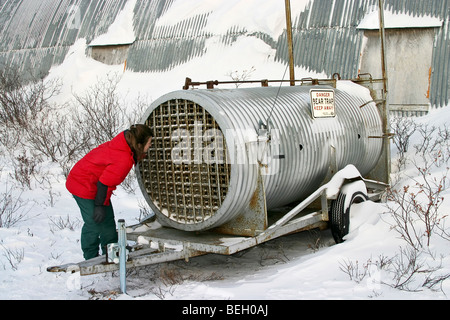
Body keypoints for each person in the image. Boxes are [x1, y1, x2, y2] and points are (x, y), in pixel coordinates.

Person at [66, 124, 153, 260]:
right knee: (93, 222)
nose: (150, 146)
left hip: (96, 184)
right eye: (149, 143)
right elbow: (104, 184)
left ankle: (111, 251)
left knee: (107, 221)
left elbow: (105, 181)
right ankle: (90, 257)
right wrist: (99, 206)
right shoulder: (123, 159)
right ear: (140, 144)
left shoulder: (123, 143)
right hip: (81, 184)